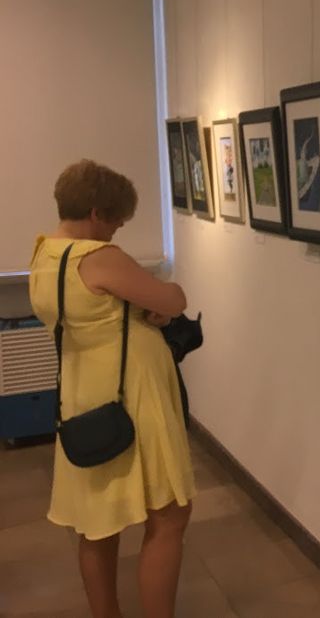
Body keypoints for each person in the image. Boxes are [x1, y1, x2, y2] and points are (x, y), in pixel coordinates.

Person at [29, 160, 196, 618]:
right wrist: (162, 303)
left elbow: (94, 311)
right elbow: (174, 299)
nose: (119, 228)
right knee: (169, 515)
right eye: (117, 219)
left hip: (85, 394)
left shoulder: (44, 255)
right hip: (133, 396)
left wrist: (139, 310)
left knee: (97, 524)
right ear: (97, 212)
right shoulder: (98, 256)